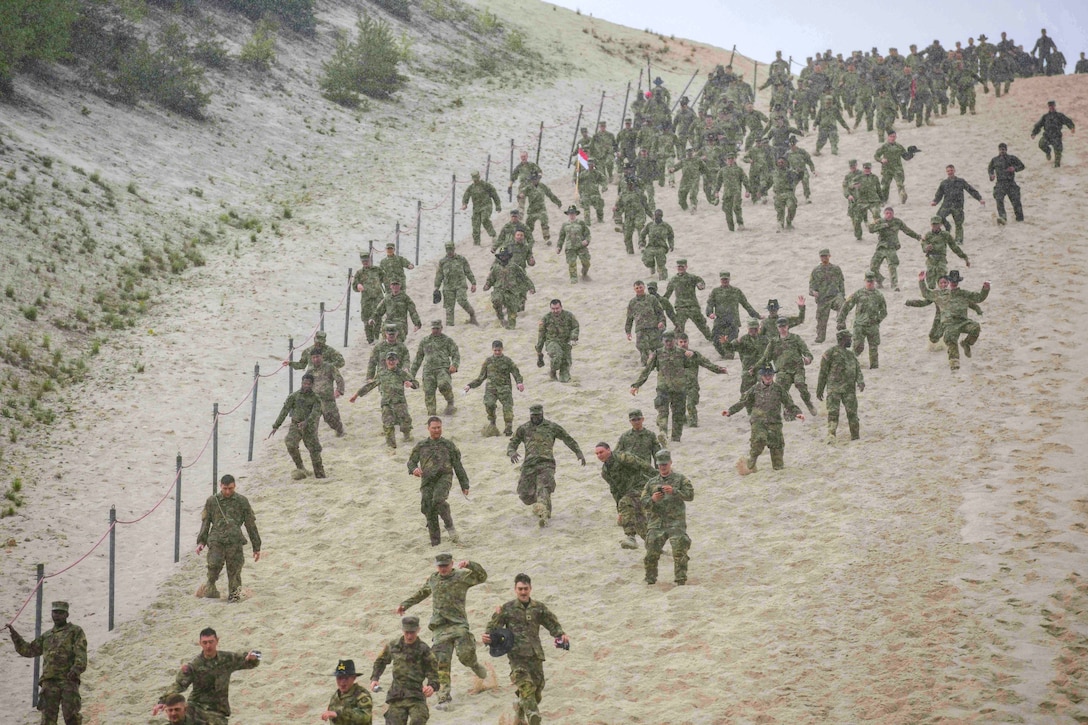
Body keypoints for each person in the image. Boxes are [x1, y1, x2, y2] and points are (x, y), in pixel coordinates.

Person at [397, 554, 489, 709]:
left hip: (459, 625)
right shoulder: (434, 579)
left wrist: (470, 564)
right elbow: (422, 592)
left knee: (465, 656)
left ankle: (475, 666)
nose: (443, 569)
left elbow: (482, 577)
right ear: (436, 566)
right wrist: (405, 605)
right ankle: (444, 698)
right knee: (441, 662)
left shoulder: (462, 576)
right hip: (440, 627)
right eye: (440, 566)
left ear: (452, 564)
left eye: (446, 565)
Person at [482, 574, 568, 725]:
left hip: (536, 655)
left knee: (537, 691)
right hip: (517, 657)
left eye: (525, 589)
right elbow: (493, 629)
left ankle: (520, 707)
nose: (523, 592)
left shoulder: (538, 608)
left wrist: (560, 635)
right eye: (520, 589)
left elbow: (552, 622)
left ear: (530, 589)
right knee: (526, 686)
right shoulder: (506, 609)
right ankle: (533, 716)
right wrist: (488, 638)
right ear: (515, 589)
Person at [154, 627, 259, 725]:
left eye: (211, 642)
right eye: (205, 643)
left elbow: (248, 661)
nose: (208, 646)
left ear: (217, 641)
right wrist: (162, 701)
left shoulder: (227, 659)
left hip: (217, 711)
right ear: (200, 643)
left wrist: (254, 657)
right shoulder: (194, 665)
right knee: (180, 717)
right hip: (196, 706)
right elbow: (179, 684)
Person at [6, 601, 86, 725]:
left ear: (66, 614)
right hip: (49, 682)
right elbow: (29, 650)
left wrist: (76, 669)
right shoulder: (47, 636)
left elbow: (80, 653)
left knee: (71, 717)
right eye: (55, 612)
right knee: (48, 719)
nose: (57, 615)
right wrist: (14, 635)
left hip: (68, 680)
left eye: (60, 613)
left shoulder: (75, 631)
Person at [507, 404, 585, 527]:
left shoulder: (551, 427)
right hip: (529, 465)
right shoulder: (524, 428)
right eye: (533, 416)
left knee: (543, 488)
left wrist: (578, 452)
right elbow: (513, 443)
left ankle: (544, 513)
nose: (535, 418)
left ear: (542, 414)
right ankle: (540, 504)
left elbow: (567, 438)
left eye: (538, 415)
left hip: (546, 463)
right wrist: (512, 452)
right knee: (524, 494)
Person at [722, 366, 804, 474]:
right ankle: (750, 465)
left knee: (777, 446)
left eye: (770, 375)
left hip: (774, 422)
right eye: (766, 375)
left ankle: (778, 468)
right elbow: (743, 402)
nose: (768, 377)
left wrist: (798, 413)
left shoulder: (779, 389)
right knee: (758, 442)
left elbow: (789, 403)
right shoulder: (755, 389)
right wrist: (730, 411)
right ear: (761, 376)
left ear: (773, 376)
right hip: (758, 421)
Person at [195, 474, 261, 603]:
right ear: (220, 486)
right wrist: (201, 542)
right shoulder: (212, 501)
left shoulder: (242, 501)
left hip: (235, 540)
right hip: (216, 540)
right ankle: (210, 587)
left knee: (234, 570)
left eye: (230, 488)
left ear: (235, 486)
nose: (227, 492)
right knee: (213, 566)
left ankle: (234, 596)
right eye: (225, 488)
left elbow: (250, 524)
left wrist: (256, 547)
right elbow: (206, 522)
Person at [406, 416, 470, 546]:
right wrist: (414, 469)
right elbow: (411, 462)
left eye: (439, 427)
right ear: (428, 428)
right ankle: (436, 542)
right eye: (434, 428)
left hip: (444, 477)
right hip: (427, 479)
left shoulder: (448, 445)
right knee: (428, 508)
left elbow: (458, 465)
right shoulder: (421, 445)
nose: (436, 430)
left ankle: (450, 526)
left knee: (438, 500)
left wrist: (464, 484)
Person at [630, 330, 698, 443]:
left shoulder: (682, 353)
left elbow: (692, 368)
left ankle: (676, 438)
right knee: (662, 413)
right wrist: (636, 385)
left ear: (674, 341)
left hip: (679, 389)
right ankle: (663, 434)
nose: (668, 344)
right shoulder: (658, 353)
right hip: (663, 389)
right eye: (666, 341)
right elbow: (647, 370)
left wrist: (692, 356)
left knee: (678, 415)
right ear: (663, 341)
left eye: (670, 341)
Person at [370, 617, 440, 725]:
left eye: (412, 632)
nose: (410, 636)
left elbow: (433, 670)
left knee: (419, 719)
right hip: (397, 695)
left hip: (416, 694)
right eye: (407, 632)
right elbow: (381, 661)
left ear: (418, 630)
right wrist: (375, 678)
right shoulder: (394, 645)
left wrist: (432, 686)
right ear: (403, 630)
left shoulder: (424, 649)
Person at [916, 269, 991, 371]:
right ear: (949, 282)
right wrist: (921, 280)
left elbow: (979, 298)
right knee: (950, 339)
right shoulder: (940, 294)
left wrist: (985, 288)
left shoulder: (963, 293)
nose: (954, 283)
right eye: (952, 281)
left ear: (958, 282)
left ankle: (966, 343)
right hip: (950, 324)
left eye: (956, 282)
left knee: (975, 327)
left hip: (963, 321)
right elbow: (926, 293)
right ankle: (954, 363)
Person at [639, 449, 694, 586]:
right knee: (651, 552)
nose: (663, 467)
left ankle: (681, 580)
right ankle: (650, 579)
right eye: (660, 465)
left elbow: (690, 495)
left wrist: (675, 491)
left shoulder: (681, 479)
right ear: (657, 465)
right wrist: (653, 499)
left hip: (676, 522)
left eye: (665, 464)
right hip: (656, 522)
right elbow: (643, 503)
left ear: (670, 463)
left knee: (680, 551)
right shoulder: (651, 483)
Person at [349, 352, 418, 449]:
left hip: (400, 403)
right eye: (389, 360)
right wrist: (356, 395)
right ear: (386, 361)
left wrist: (411, 384)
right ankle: (391, 446)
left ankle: (407, 437)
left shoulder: (402, 373)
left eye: (393, 360)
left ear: (397, 361)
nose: (391, 361)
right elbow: (370, 386)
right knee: (388, 425)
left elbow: (416, 383)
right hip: (387, 404)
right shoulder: (381, 374)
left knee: (405, 424)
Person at [594, 441, 654, 549]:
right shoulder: (605, 472)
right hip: (630, 494)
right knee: (640, 522)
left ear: (609, 450)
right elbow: (615, 491)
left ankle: (630, 537)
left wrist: (660, 478)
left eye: (601, 452)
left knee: (625, 502)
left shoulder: (622, 457)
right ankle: (655, 547)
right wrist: (620, 512)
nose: (599, 455)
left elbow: (643, 465)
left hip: (641, 487)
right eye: (597, 454)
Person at [464, 339, 524, 437]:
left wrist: (519, 383)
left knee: (508, 409)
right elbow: (481, 377)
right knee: (489, 404)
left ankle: (508, 429)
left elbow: (516, 373)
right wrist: (469, 385)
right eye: (495, 350)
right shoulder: (488, 361)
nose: (497, 352)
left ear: (502, 349)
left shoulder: (508, 361)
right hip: (491, 390)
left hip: (505, 389)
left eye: (499, 350)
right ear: (492, 349)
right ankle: (492, 423)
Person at [271, 372, 325, 479]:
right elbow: (284, 410)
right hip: (295, 425)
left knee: (314, 450)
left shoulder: (316, 398)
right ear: (301, 383)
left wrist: (306, 422)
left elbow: (315, 413)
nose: (306, 386)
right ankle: (300, 467)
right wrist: (276, 425)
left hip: (309, 427)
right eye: (304, 383)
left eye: (309, 384)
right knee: (290, 443)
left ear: (312, 385)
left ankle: (319, 473)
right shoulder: (294, 396)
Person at [817, 329, 865, 441]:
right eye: (849, 339)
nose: (851, 341)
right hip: (834, 390)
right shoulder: (830, 353)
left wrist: (860, 381)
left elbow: (857, 369)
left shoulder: (851, 355)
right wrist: (820, 389)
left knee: (852, 414)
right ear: (842, 339)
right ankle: (831, 435)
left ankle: (855, 436)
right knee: (833, 413)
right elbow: (823, 372)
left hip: (849, 390)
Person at [675, 332, 727, 427]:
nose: (683, 344)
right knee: (678, 408)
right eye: (681, 342)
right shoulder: (673, 355)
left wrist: (719, 369)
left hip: (692, 385)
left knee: (691, 404)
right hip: (677, 386)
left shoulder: (694, 355)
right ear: (677, 342)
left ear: (688, 342)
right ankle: (683, 420)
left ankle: (693, 423)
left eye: (685, 342)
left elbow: (706, 363)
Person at [837, 272, 888, 369]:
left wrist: (878, 320)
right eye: (868, 281)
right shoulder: (858, 293)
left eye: (872, 282)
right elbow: (847, 306)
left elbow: (884, 311)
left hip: (873, 326)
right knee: (857, 347)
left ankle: (874, 368)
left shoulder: (879, 295)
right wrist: (841, 319)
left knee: (873, 348)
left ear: (874, 282)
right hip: (859, 325)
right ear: (865, 281)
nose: (870, 283)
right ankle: (851, 365)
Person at [705, 271, 760, 358]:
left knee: (731, 341)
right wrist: (710, 313)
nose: (724, 281)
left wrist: (757, 315)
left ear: (729, 279)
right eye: (723, 279)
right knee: (715, 339)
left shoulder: (736, 291)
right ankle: (723, 354)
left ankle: (729, 355)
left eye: (726, 279)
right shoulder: (715, 291)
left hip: (732, 321)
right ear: (720, 280)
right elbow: (710, 304)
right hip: (720, 320)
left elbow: (746, 304)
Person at [411, 320, 460, 417]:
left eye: (437, 328)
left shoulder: (447, 340)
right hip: (428, 371)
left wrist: (454, 365)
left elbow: (456, 354)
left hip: (443, 369)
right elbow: (418, 358)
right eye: (434, 328)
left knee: (443, 385)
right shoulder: (425, 341)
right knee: (429, 391)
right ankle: (431, 414)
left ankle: (450, 402)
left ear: (441, 328)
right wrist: (411, 375)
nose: (435, 330)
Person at [867, 206, 920, 292]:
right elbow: (870, 229)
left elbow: (907, 230)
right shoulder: (880, 221)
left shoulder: (897, 222)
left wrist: (917, 237)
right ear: (884, 214)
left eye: (890, 213)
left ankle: (894, 285)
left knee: (892, 267)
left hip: (891, 247)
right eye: (887, 213)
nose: (888, 215)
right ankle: (879, 280)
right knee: (873, 267)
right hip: (881, 247)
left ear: (893, 214)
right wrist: (882, 226)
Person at [931, 164, 984, 244]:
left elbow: (970, 190)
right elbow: (939, 194)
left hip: (957, 206)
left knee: (958, 223)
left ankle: (958, 240)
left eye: (951, 170)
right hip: (947, 205)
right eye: (948, 171)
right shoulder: (944, 183)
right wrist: (935, 201)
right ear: (946, 172)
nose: (950, 172)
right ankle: (948, 226)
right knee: (938, 217)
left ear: (954, 171)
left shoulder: (961, 181)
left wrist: (979, 199)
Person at [483, 248, 534, 330]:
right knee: (496, 300)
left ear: (508, 257)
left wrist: (531, 287)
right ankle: (500, 317)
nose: (503, 257)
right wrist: (487, 285)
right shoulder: (496, 268)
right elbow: (491, 279)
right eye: (502, 256)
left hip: (512, 292)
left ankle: (511, 326)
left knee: (512, 310)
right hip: (499, 290)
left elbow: (524, 277)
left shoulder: (514, 267)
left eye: (505, 256)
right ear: (499, 257)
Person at [664, 259, 713, 342]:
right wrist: (661, 302)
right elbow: (668, 294)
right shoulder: (673, 280)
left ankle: (712, 339)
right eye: (679, 266)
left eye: (682, 266)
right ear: (676, 267)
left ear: (686, 267)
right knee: (679, 327)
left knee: (702, 325)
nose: (680, 268)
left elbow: (701, 284)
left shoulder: (692, 277)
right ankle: (676, 344)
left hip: (693, 306)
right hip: (680, 307)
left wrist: (700, 285)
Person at [535, 299, 579, 383]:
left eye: (557, 308)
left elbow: (575, 327)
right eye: (553, 309)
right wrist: (539, 349)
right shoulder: (546, 318)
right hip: (552, 342)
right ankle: (553, 372)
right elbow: (541, 335)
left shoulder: (569, 316)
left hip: (566, 343)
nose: (555, 310)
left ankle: (563, 378)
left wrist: (573, 337)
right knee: (557, 356)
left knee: (565, 368)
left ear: (561, 307)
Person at [434, 244, 478, 326]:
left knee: (462, 300)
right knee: (449, 307)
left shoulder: (461, 259)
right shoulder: (442, 262)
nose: (449, 252)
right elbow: (439, 275)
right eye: (448, 250)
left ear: (454, 249)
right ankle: (450, 325)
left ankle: (472, 314)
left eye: (451, 249)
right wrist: (436, 287)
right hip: (448, 287)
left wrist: (473, 283)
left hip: (460, 285)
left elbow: (468, 271)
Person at [625, 279, 667, 366]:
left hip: (653, 327)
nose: (639, 289)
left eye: (640, 287)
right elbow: (629, 318)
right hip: (640, 329)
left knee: (657, 346)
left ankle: (660, 364)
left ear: (644, 287)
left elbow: (660, 312)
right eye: (637, 288)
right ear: (634, 289)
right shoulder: (632, 302)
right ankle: (645, 365)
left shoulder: (652, 299)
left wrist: (661, 322)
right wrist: (628, 331)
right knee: (642, 348)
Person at [808, 249, 846, 344]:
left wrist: (842, 295)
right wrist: (813, 292)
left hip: (835, 296)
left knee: (842, 305)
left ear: (829, 256)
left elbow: (841, 283)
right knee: (821, 321)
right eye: (822, 256)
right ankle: (820, 336)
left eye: (826, 256)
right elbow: (811, 287)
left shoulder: (836, 269)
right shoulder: (816, 271)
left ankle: (841, 327)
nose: (824, 258)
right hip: (823, 299)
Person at [307, 350, 346, 437]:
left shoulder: (329, 367)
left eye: (318, 357)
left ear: (322, 357)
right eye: (314, 358)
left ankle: (339, 431)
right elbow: (306, 384)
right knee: (312, 421)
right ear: (311, 359)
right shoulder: (310, 370)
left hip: (327, 399)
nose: (316, 359)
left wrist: (339, 390)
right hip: (314, 400)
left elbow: (339, 379)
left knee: (331, 419)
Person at [321, 660, 373, 724]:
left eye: (346, 678)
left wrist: (339, 713)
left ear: (354, 678)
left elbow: (365, 717)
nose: (342, 682)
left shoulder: (361, 696)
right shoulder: (336, 696)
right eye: (339, 678)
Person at [987, 143, 1026, 224]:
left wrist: (1014, 168)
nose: (1002, 151)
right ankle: (1003, 217)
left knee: (1016, 201)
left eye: (1003, 149)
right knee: (999, 199)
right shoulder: (994, 160)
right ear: (998, 150)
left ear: (1006, 150)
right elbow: (990, 169)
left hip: (1011, 183)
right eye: (1001, 150)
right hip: (1000, 183)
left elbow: (1022, 166)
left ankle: (1020, 219)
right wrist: (991, 175)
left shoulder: (1012, 158)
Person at [1031, 100, 1076, 168]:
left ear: (1054, 106)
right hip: (1047, 136)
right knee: (1041, 144)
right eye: (1050, 106)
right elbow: (1038, 125)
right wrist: (1034, 133)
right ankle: (1048, 152)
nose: (1051, 107)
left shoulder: (1059, 115)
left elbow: (1067, 121)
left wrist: (1071, 127)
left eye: (1052, 106)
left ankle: (1057, 167)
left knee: (1058, 152)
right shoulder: (1045, 117)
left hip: (1056, 137)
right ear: (1048, 107)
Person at [461, 171, 501, 246]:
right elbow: (466, 196)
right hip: (476, 208)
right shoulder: (471, 188)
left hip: (486, 206)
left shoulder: (486, 185)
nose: (475, 179)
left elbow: (494, 194)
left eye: (476, 177)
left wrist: (498, 205)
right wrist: (464, 204)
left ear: (479, 177)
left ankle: (493, 235)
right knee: (475, 224)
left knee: (484, 219)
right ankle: (476, 242)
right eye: (474, 178)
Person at [846, 161, 883, 240]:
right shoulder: (858, 177)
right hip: (862, 201)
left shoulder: (874, 177)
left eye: (868, 168)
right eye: (865, 168)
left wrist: (881, 200)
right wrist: (855, 186)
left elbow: (879, 189)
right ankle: (858, 235)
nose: (867, 170)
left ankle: (880, 234)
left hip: (874, 200)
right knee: (857, 219)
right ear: (863, 169)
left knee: (877, 216)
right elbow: (850, 186)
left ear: (870, 168)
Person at [555, 205, 591, 283]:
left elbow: (587, 234)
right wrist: (559, 247)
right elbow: (561, 237)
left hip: (581, 246)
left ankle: (584, 273)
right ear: (568, 214)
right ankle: (574, 280)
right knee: (572, 264)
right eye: (570, 213)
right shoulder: (565, 225)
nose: (571, 215)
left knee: (586, 263)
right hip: (570, 247)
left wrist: (587, 241)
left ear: (576, 214)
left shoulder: (581, 223)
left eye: (573, 213)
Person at [523, 173, 562, 244]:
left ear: (538, 179)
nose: (535, 181)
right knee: (529, 225)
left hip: (541, 209)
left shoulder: (542, 186)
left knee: (544, 222)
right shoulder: (528, 188)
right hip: (532, 210)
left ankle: (546, 238)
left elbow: (550, 194)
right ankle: (527, 239)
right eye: (533, 179)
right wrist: (521, 195)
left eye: (536, 179)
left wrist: (557, 202)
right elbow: (522, 194)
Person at [354, 253, 384, 344]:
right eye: (363, 261)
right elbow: (354, 285)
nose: (365, 263)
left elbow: (384, 279)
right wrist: (358, 285)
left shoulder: (377, 270)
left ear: (370, 260)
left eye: (366, 261)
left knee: (378, 317)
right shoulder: (359, 273)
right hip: (366, 299)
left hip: (378, 298)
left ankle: (376, 337)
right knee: (366, 318)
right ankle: (370, 340)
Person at [874, 130, 910, 204]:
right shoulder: (884, 146)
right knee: (885, 186)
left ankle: (903, 198)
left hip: (897, 169)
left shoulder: (899, 146)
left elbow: (906, 157)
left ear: (896, 137)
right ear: (888, 137)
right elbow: (876, 156)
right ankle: (884, 201)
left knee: (900, 184)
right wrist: (881, 160)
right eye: (891, 137)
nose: (892, 138)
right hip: (887, 169)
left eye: (894, 136)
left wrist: (911, 154)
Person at [638, 209, 675, 281]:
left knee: (661, 263)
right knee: (647, 259)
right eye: (656, 215)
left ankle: (663, 279)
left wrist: (671, 245)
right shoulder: (650, 225)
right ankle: (651, 266)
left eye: (659, 215)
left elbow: (671, 236)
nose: (657, 217)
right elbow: (642, 235)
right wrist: (642, 244)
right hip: (651, 246)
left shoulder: (666, 226)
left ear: (662, 216)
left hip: (661, 247)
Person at [770, 156, 800, 231]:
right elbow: (768, 182)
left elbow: (798, 178)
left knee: (792, 207)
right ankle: (780, 224)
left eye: (782, 162)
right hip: (778, 194)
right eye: (779, 163)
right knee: (780, 211)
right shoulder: (773, 173)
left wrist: (799, 172)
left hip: (788, 193)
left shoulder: (790, 172)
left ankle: (789, 221)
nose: (780, 164)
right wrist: (761, 191)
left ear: (785, 163)